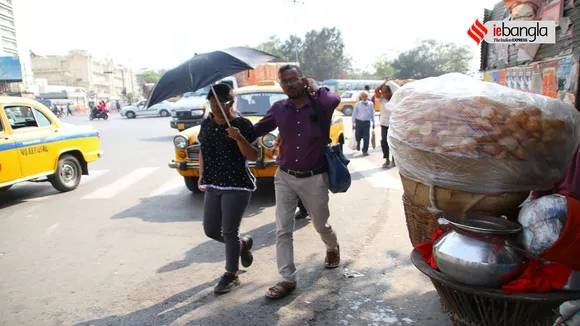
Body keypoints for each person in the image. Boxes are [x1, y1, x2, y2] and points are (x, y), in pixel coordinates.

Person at [254, 64, 341, 299]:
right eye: (284, 81)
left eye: (294, 79)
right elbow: (257, 129)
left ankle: (332, 246)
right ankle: (287, 278)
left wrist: (315, 86)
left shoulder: (320, 104)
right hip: (284, 177)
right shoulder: (279, 108)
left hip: (315, 177)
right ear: (280, 86)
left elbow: (333, 101)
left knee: (321, 224)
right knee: (283, 230)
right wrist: (233, 127)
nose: (290, 84)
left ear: (303, 80)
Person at [197, 83, 258, 294]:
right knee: (211, 230)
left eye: (220, 102)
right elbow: (203, 151)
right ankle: (241, 246)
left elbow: (253, 155)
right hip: (213, 183)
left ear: (230, 102)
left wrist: (239, 137)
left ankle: (231, 274)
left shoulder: (242, 124)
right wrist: (201, 175)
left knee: (229, 231)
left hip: (237, 184)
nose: (215, 106)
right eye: (212, 102)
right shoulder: (206, 124)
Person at [270, 134, 309, 220]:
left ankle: (313, 211)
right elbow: (281, 132)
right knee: (294, 190)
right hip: (289, 163)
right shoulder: (288, 122)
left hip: (309, 161)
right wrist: (275, 145)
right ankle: (303, 210)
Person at [375, 80, 395, 167]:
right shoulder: (381, 99)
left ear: (390, 91)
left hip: (393, 124)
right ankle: (387, 159)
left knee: (393, 142)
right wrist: (385, 82)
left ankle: (394, 159)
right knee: (384, 141)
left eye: (386, 92)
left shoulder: (394, 99)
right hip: (384, 123)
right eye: (383, 92)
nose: (384, 94)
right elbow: (376, 90)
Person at [351, 91, 375, 156]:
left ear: (367, 97)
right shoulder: (357, 104)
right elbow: (354, 114)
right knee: (358, 136)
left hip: (367, 122)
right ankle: (358, 144)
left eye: (365, 96)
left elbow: (372, 113)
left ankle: (365, 151)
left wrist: (373, 122)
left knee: (366, 137)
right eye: (363, 96)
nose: (364, 98)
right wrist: (353, 123)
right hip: (359, 122)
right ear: (361, 97)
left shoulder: (370, 104)